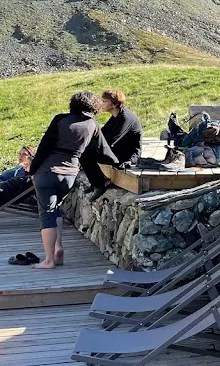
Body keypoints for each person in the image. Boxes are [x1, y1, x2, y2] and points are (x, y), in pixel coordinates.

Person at [29, 91, 118, 269]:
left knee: (47, 214)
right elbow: (104, 152)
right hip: (70, 175)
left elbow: (44, 146)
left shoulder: (60, 119)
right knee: (56, 210)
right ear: (93, 106)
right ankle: (58, 249)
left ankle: (48, 260)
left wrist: (32, 169)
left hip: (48, 171)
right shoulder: (92, 125)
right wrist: (118, 162)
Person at [82, 90, 144, 201]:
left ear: (114, 104)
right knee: (85, 151)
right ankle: (96, 183)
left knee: (87, 154)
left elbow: (112, 140)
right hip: (118, 151)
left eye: (104, 101)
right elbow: (102, 134)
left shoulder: (126, 118)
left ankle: (100, 184)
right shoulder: (117, 115)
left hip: (127, 156)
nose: (101, 103)